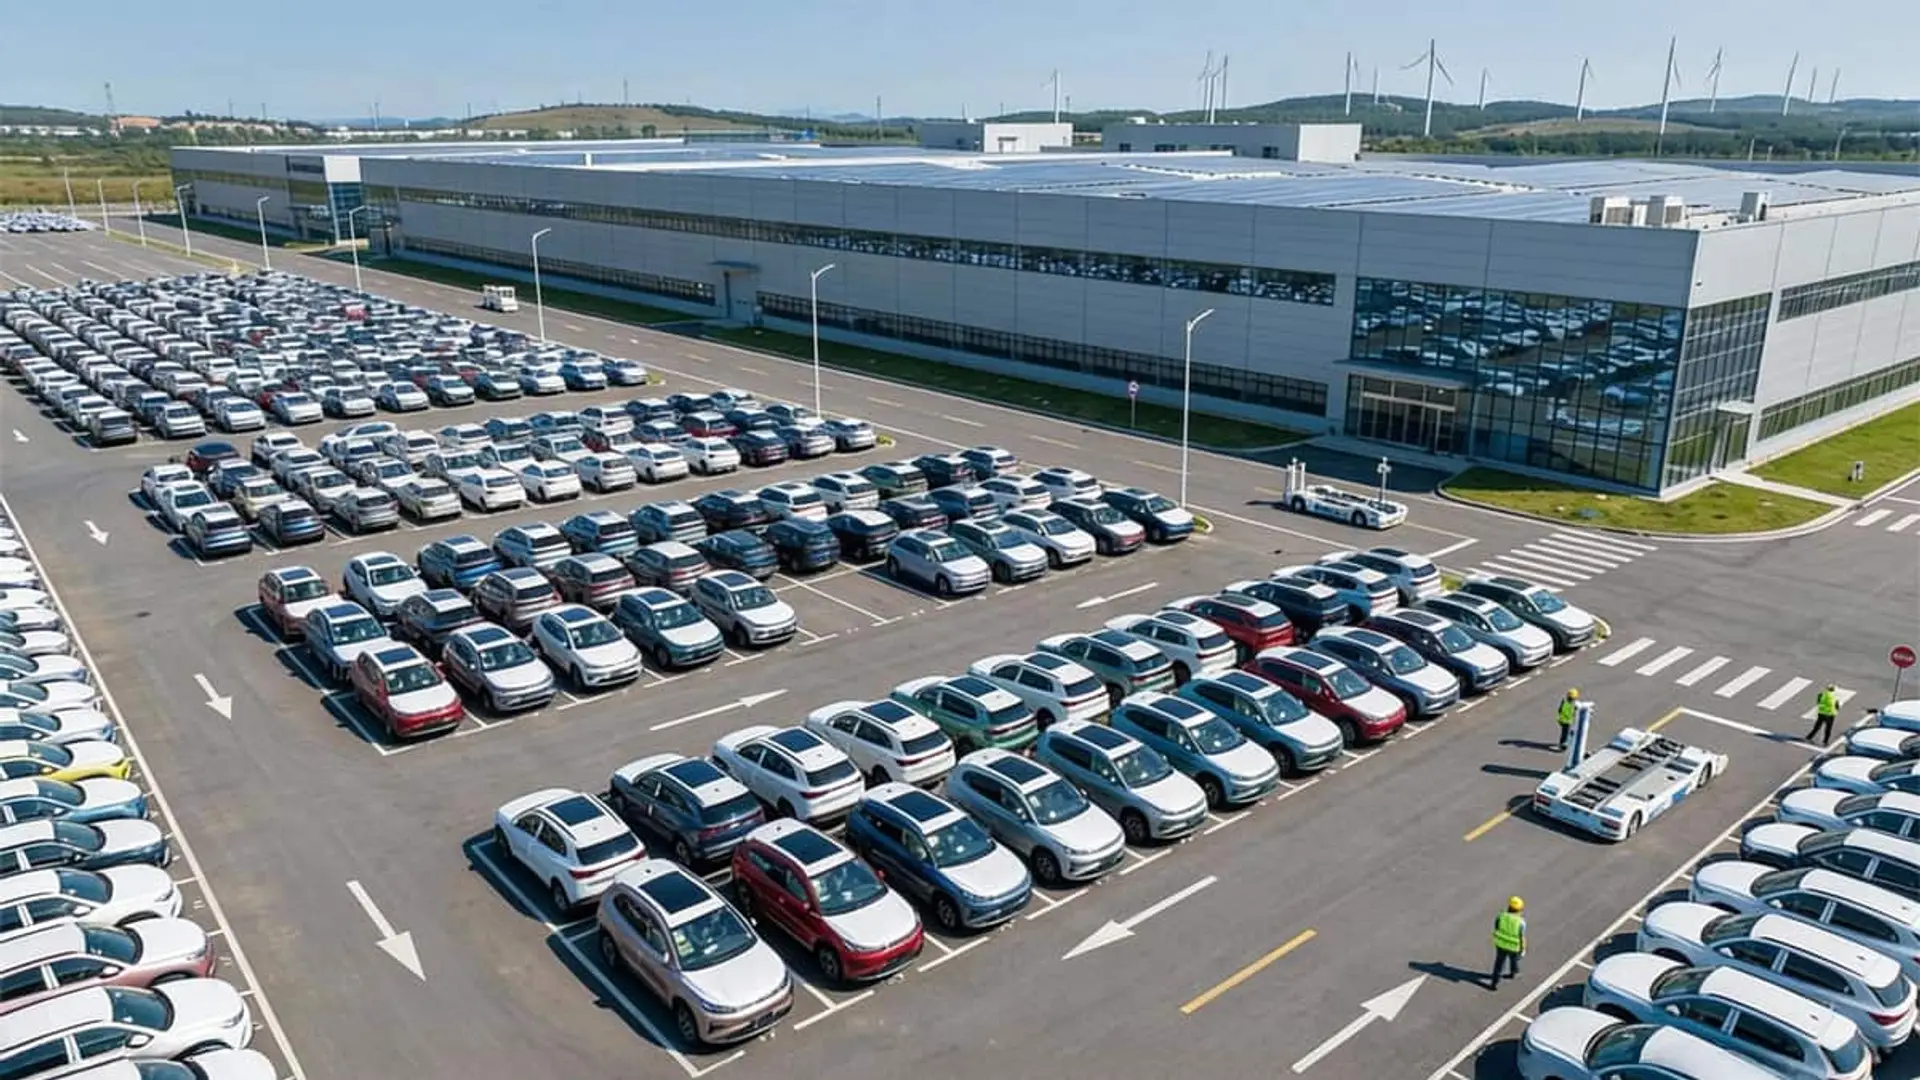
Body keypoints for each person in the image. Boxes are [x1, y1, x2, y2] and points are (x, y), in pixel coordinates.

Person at [1489, 896, 1526, 990]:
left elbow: (1496, 927)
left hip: (1501, 944)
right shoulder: (1521, 922)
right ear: (1520, 910)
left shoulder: (1501, 916)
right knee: (1514, 960)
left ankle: (1494, 983)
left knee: (1499, 963)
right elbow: (1521, 937)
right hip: (1513, 946)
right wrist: (1523, 949)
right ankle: (1513, 972)